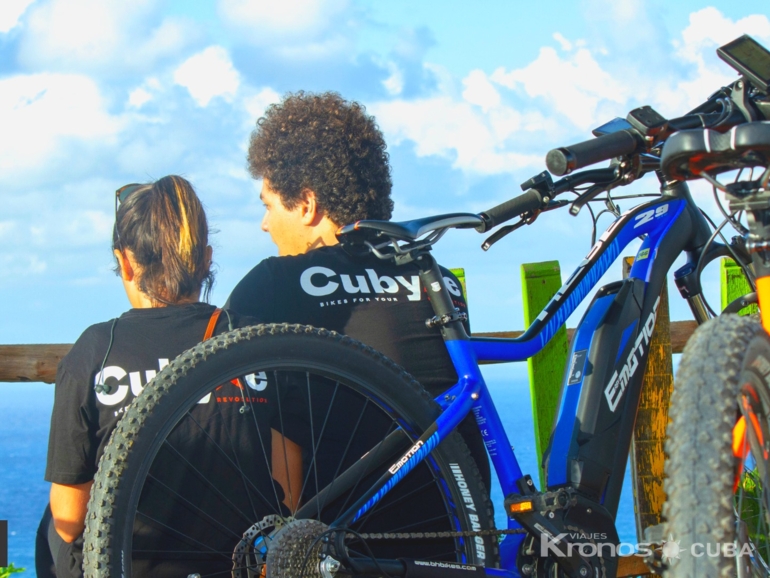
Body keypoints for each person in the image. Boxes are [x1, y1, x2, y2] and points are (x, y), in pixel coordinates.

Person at [225, 91, 490, 487]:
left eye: (269, 206)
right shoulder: (439, 280)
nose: (265, 225)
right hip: (465, 530)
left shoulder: (271, 284)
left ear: (307, 204)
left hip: (348, 537)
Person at [36, 176, 279, 578]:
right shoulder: (252, 339)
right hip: (237, 568)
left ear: (125, 262)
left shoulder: (98, 348)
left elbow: (69, 515)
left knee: (51, 522)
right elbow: (287, 481)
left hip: (129, 567)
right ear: (206, 259)